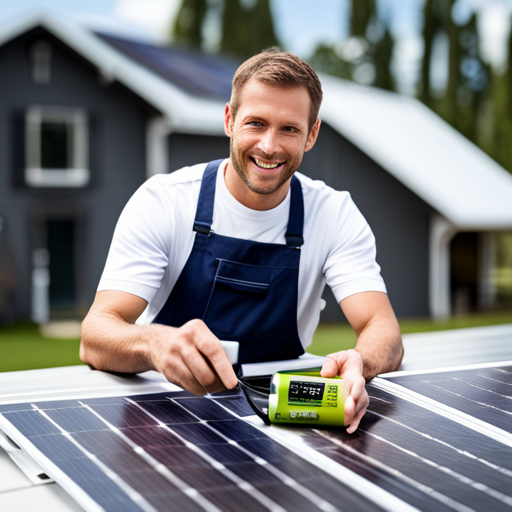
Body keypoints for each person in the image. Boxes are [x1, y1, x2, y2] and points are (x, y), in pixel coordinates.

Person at [81, 48, 403, 434]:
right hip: (167, 415)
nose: (269, 146)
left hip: (284, 418)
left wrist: (360, 362)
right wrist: (154, 344)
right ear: (229, 120)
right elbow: (95, 335)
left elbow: (382, 329)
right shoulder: (164, 201)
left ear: (312, 134)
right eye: (256, 123)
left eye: (289, 128)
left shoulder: (334, 214)